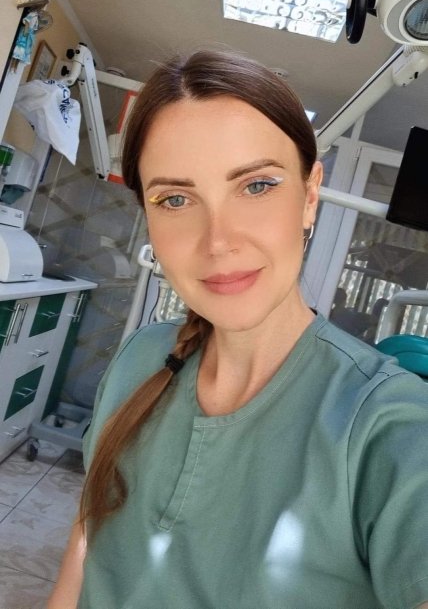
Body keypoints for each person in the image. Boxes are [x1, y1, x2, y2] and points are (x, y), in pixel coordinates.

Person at [48, 50, 428, 609]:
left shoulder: (388, 425)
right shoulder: (140, 358)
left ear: (310, 196)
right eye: (176, 199)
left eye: (256, 186)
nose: (218, 241)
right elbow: (88, 538)